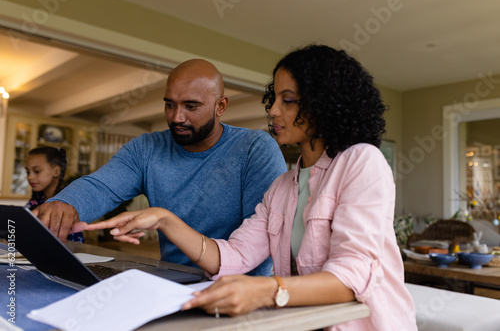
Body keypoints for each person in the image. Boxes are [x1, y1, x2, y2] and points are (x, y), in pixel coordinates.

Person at [84, 45, 417, 330]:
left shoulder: (361, 162)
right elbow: (233, 257)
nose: (273, 110)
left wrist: (262, 291)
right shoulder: (282, 187)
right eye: (276, 99)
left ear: (322, 105)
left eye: (288, 101)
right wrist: (163, 219)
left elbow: (351, 277)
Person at [33, 59, 287, 275]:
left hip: (240, 291)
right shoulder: (146, 149)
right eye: (169, 104)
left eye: (191, 106)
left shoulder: (255, 148)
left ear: (220, 106)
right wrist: (66, 203)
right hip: (173, 282)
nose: (177, 117)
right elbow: (101, 187)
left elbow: (260, 240)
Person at [25, 147, 83, 243]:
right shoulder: (36, 199)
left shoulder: (67, 202)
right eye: (27, 172)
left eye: (37, 171)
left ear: (56, 171)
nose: (30, 177)